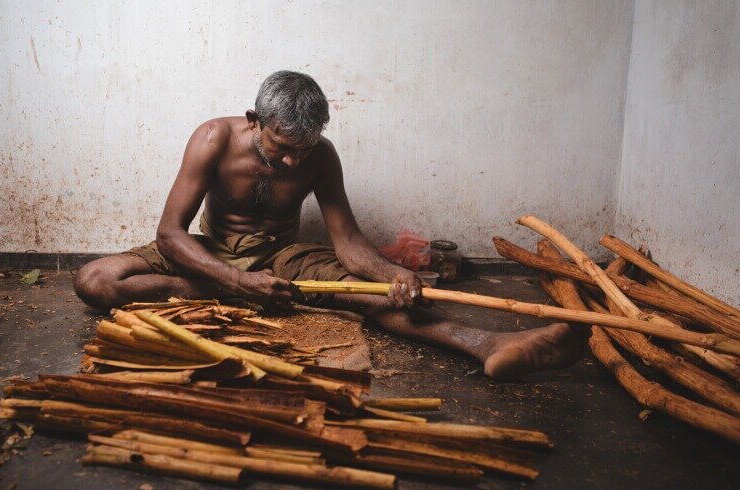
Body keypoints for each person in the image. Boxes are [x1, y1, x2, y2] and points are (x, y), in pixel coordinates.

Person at [74, 71, 582, 380]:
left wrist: (389, 274)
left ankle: (488, 344)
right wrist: (234, 279)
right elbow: (170, 234)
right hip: (209, 251)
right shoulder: (212, 139)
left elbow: (348, 242)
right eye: (282, 146)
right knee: (94, 281)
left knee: (380, 297)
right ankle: (221, 291)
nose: (295, 162)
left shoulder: (321, 156)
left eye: (306, 147)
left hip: (280, 258)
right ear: (254, 119)